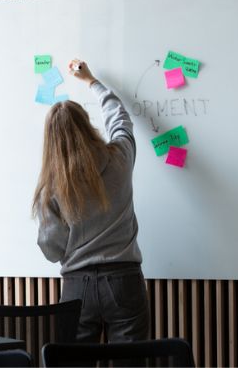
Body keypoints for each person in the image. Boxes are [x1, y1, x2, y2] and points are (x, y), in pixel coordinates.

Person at [33, 59, 149, 343]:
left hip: (77, 287)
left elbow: (51, 248)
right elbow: (120, 119)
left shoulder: (52, 188)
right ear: (87, 126)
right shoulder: (120, 157)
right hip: (125, 280)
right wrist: (92, 82)